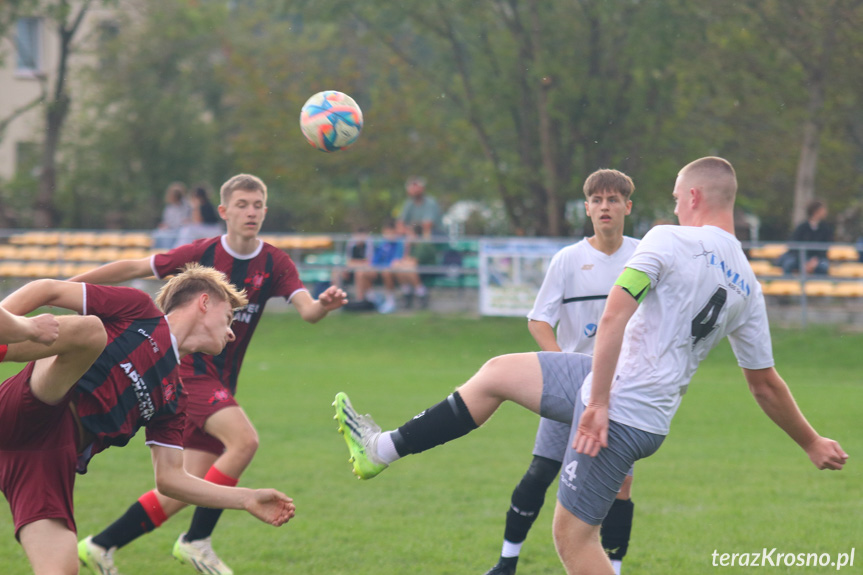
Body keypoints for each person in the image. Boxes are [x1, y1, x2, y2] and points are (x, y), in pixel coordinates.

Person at [333, 157, 847, 575]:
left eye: (674, 196)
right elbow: (765, 385)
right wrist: (810, 441)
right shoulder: (749, 285)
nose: (672, 204)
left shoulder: (666, 239)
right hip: (641, 405)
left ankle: (386, 452)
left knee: (574, 542)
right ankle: (383, 448)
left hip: (620, 408)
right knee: (496, 373)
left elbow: (615, 313)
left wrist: (597, 402)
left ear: (692, 198)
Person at [72, 173, 347, 575]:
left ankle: (101, 545)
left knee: (188, 485)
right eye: (242, 204)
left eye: (257, 205)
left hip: (222, 381)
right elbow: (135, 265)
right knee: (244, 441)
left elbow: (307, 311)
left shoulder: (275, 262)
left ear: (265, 210)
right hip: (187, 370)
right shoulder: (202, 253)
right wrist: (66, 285)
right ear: (224, 211)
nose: (251, 212)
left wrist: (324, 304)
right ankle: (197, 541)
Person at [0, 266, 295, 575]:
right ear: (205, 302)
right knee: (91, 331)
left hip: (49, 460)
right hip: (37, 406)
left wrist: (246, 498)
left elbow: (170, 480)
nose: (232, 332)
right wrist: (14, 323)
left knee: (62, 570)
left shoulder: (175, 397)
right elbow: (48, 289)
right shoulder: (139, 311)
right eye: (229, 318)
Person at [485, 169, 639, 575]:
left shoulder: (644, 257)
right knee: (540, 474)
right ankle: (506, 563)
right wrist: (563, 365)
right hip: (573, 389)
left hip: (620, 393)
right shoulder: (568, 260)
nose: (605, 207)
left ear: (627, 206)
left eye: (613, 199)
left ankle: (615, 569)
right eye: (597, 200)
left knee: (620, 487)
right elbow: (539, 320)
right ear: (587, 208)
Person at [395, 176, 445, 308]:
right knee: (398, 265)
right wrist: (411, 232)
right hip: (413, 241)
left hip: (430, 244)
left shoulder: (430, 203)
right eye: (412, 187)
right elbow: (399, 226)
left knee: (407, 265)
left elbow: (427, 226)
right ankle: (410, 292)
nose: (414, 190)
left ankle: (420, 292)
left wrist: (411, 231)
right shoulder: (408, 204)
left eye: (417, 186)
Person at [354, 218, 419, 314]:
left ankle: (390, 301)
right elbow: (375, 259)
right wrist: (371, 266)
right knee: (362, 273)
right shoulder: (381, 243)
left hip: (391, 270)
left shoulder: (399, 243)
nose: (387, 234)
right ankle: (371, 299)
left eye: (389, 231)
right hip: (379, 268)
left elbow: (397, 259)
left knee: (386, 272)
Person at [777, 199, 833, 275]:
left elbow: (825, 248)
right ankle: (788, 285)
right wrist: (803, 262)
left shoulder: (825, 228)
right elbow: (794, 245)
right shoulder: (802, 227)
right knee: (788, 264)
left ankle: (820, 286)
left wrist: (814, 261)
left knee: (823, 267)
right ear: (816, 211)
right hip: (799, 257)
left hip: (817, 259)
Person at [153, 182, 191, 249]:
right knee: (156, 234)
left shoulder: (186, 207)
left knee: (168, 237)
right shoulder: (169, 208)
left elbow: (184, 221)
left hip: (179, 231)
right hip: (169, 230)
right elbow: (167, 221)